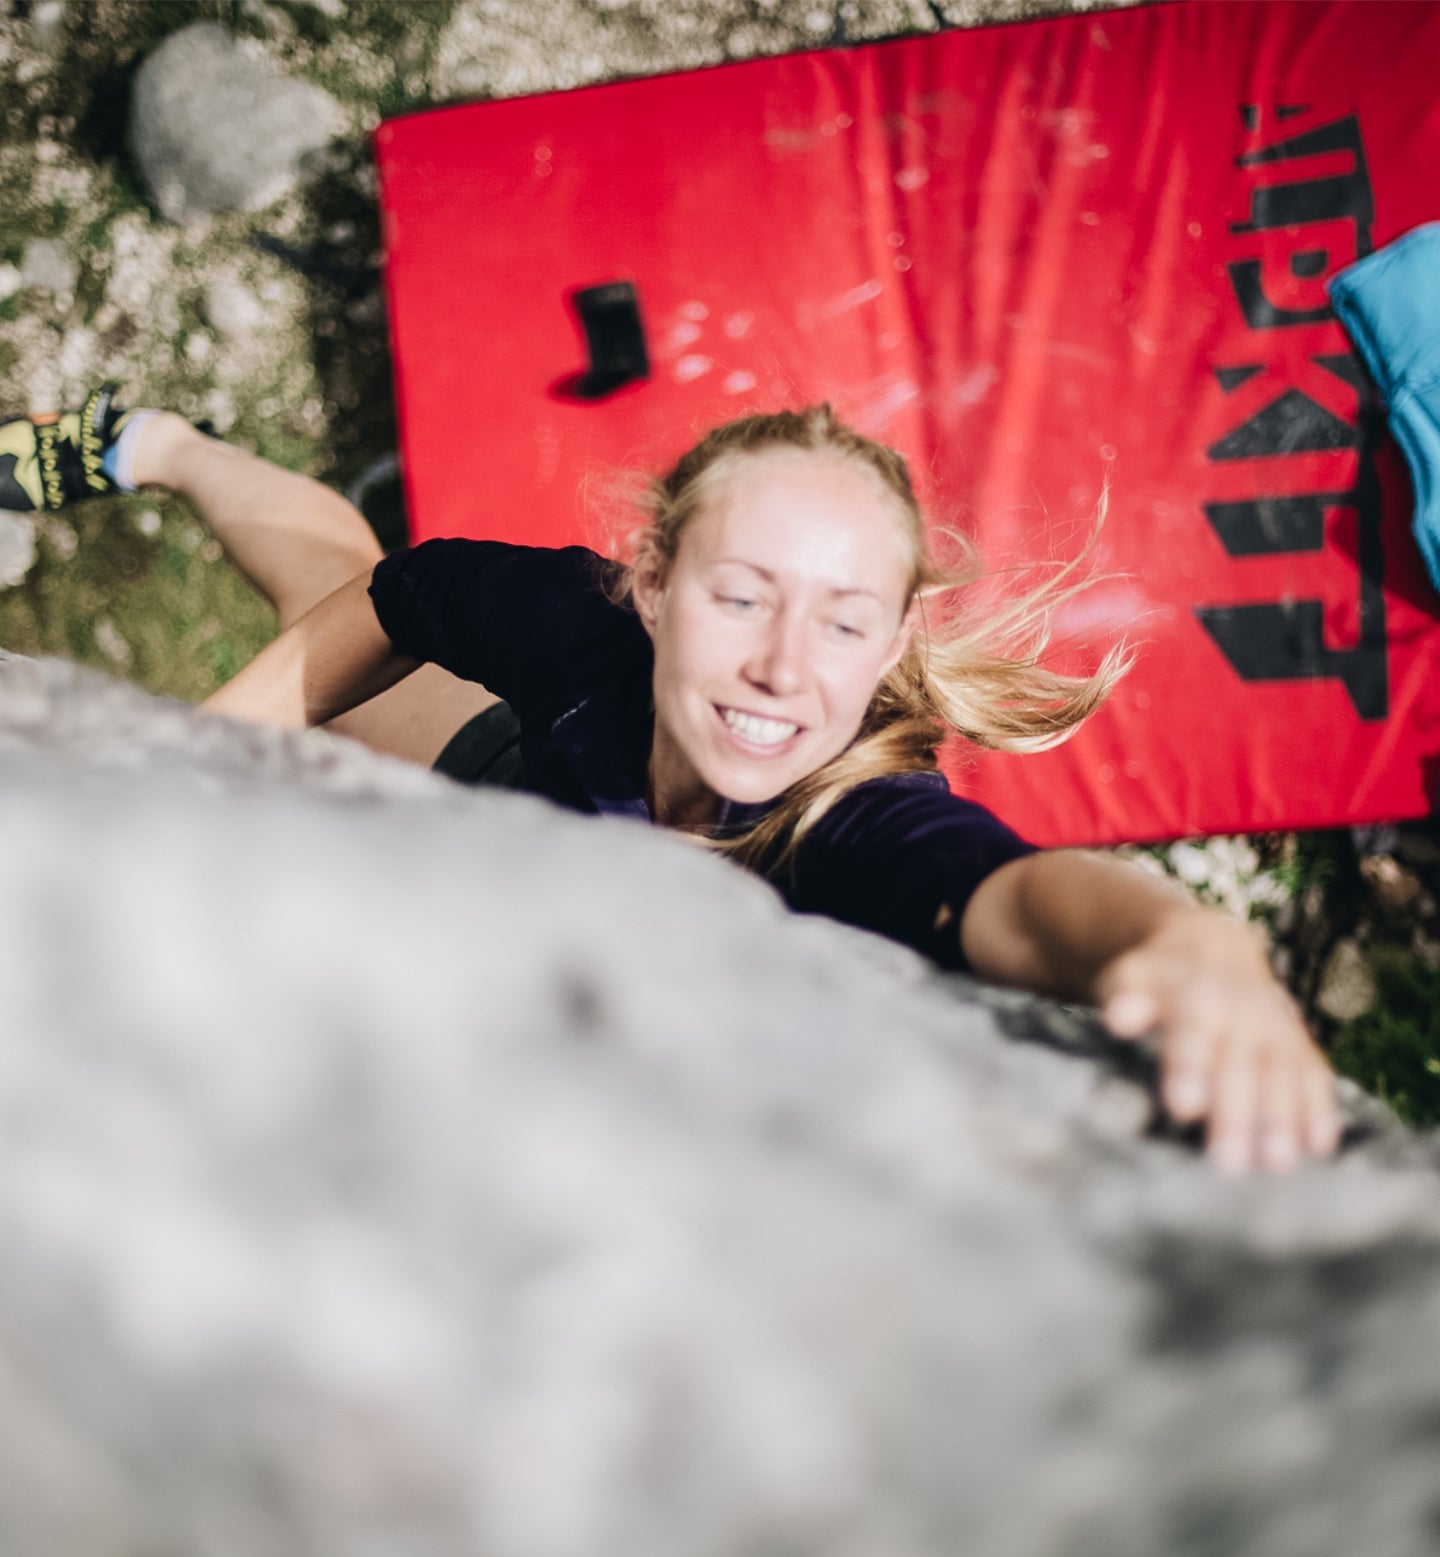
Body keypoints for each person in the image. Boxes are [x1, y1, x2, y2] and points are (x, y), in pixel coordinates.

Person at [0, 389, 1340, 1174]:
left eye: (840, 624)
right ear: (650, 587)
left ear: (888, 648)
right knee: (326, 586)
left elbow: (1009, 895)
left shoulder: (850, 818)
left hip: (551, 963)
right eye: (741, 596)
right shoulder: (575, 626)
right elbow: (395, 605)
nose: (777, 669)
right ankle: (164, 445)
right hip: (493, 803)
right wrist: (171, 761)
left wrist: (1181, 936)